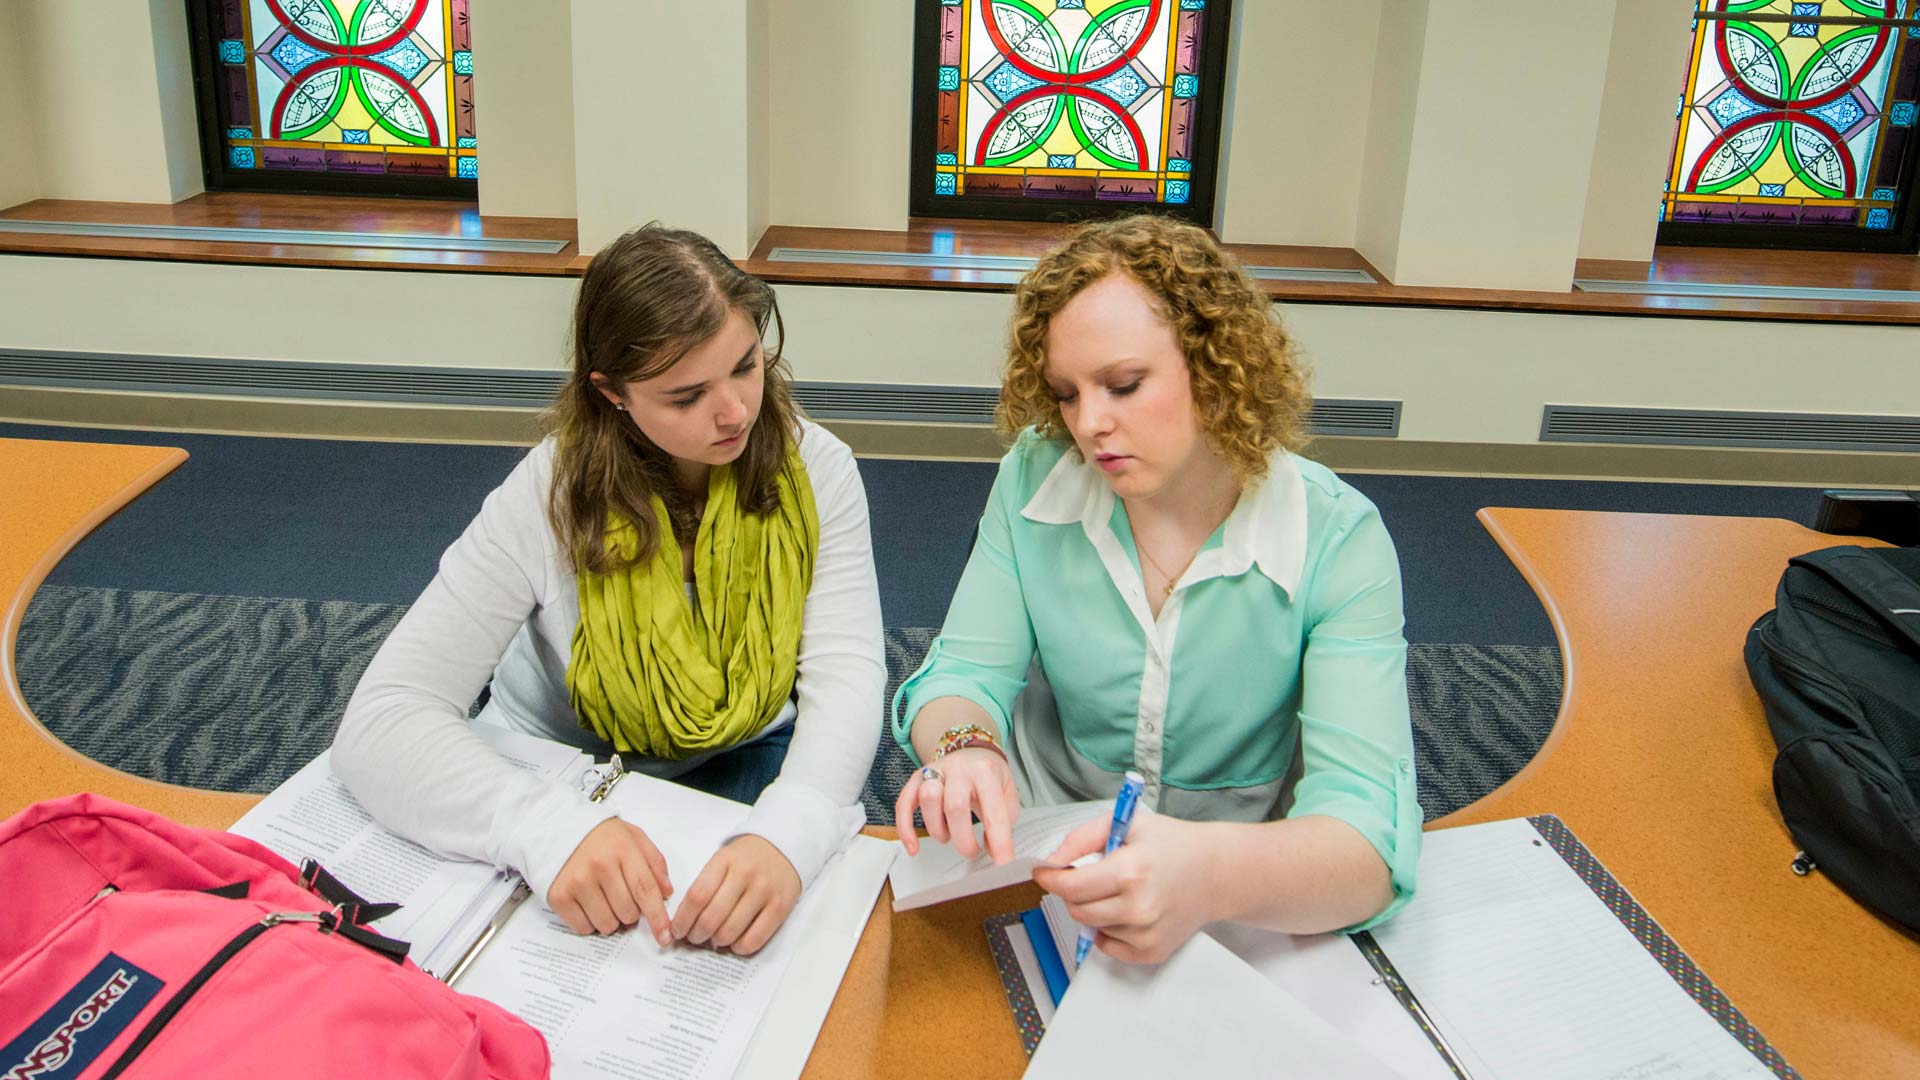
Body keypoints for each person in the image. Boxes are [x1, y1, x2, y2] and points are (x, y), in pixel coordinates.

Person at [335, 223, 883, 957]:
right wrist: (545, 828)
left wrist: (791, 834)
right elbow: (382, 720)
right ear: (612, 394)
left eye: (746, 366)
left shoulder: (818, 469)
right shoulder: (547, 492)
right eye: (685, 395)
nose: (734, 413)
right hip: (564, 762)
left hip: (748, 750)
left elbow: (846, 677)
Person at [891, 214, 1420, 964]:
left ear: (1215, 365)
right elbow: (962, 674)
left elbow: (1368, 846)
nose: (1088, 425)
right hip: (1043, 852)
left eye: (1124, 384)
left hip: (1244, 878)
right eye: (1067, 394)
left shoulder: (1338, 538)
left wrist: (1206, 874)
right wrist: (968, 746)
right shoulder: (1033, 479)